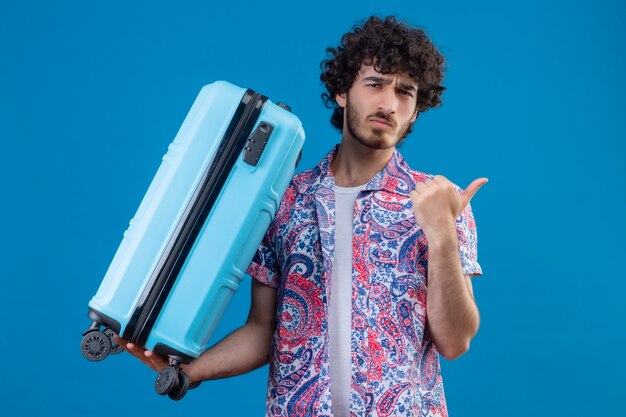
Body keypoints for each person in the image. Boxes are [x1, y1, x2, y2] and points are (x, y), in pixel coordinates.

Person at [117, 15, 486, 417]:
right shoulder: (286, 199)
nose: (388, 104)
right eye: (375, 84)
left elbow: (455, 342)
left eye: (405, 92)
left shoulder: (439, 200)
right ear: (343, 92)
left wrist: (442, 235)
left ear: (416, 110)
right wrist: (189, 373)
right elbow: (264, 330)